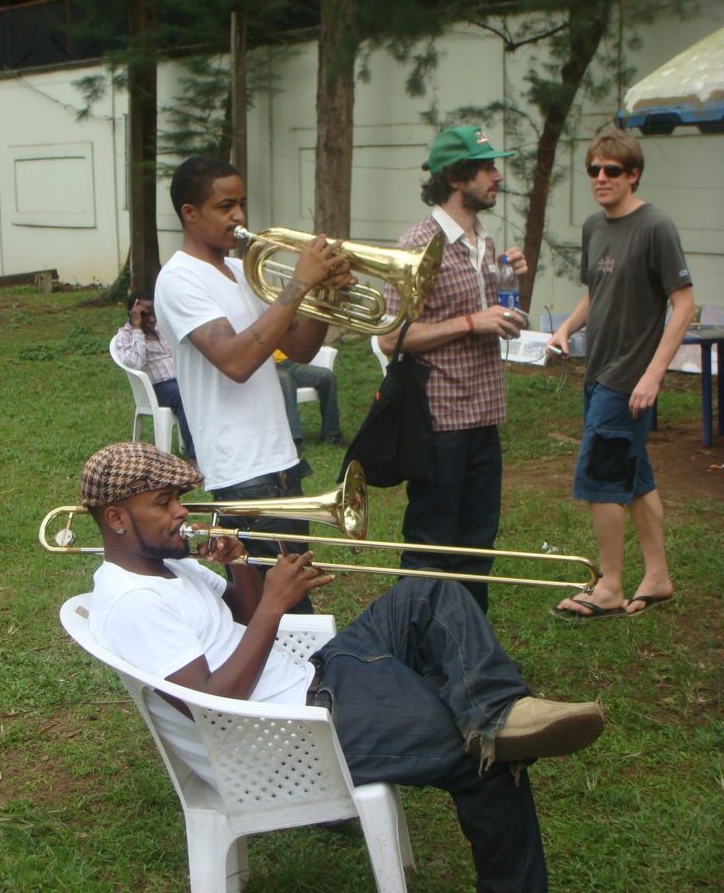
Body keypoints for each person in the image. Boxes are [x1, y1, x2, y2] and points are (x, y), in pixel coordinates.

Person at [83, 441, 605, 893]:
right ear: (117, 518)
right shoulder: (134, 603)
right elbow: (215, 703)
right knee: (488, 757)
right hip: (292, 735)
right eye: (163, 502)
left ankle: (495, 708)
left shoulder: (170, 566)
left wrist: (240, 564)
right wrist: (274, 605)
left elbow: (238, 616)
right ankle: (494, 727)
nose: (181, 511)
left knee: (428, 591)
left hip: (311, 681)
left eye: (176, 498)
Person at [154, 156, 353, 612]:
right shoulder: (179, 279)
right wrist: (299, 284)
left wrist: (326, 295)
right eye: (225, 206)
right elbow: (236, 360)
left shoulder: (244, 272)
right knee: (270, 609)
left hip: (280, 459)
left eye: (242, 204)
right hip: (241, 471)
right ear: (190, 213)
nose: (240, 217)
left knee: (294, 602)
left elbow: (300, 348)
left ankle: (301, 680)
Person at [378, 126, 528, 614]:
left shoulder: (482, 239)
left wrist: (510, 283)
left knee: (477, 545)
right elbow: (390, 337)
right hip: (441, 420)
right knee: (431, 544)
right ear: (458, 176)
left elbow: (491, 315)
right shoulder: (421, 243)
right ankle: (415, 644)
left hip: (485, 415)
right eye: (488, 168)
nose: (497, 176)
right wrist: (471, 321)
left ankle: (469, 647)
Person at [549, 127, 695, 621]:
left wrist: (653, 374)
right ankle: (657, 576)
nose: (601, 178)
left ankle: (609, 585)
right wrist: (566, 327)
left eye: (612, 170)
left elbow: (684, 304)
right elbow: (596, 290)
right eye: (594, 169)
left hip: (628, 377)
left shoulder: (655, 226)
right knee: (633, 477)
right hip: (598, 371)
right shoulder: (594, 227)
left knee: (599, 476)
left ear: (633, 175)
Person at [114, 291, 196, 461]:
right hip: (158, 389)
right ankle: (195, 457)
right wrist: (137, 328)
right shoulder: (125, 336)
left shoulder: (160, 330)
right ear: (133, 313)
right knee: (183, 394)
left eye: (153, 313)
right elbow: (136, 363)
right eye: (145, 314)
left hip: (180, 381)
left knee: (207, 388)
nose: (151, 319)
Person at [274, 348, 346, 449]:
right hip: (270, 368)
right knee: (286, 381)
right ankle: (295, 440)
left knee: (327, 376)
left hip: (291, 363)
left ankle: (332, 434)